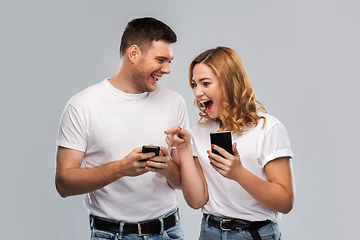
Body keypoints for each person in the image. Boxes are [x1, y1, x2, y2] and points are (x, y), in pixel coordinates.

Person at [55, 17, 189, 240]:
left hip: (169, 232)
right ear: (134, 53)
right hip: (110, 234)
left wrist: (167, 167)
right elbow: (63, 183)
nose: (166, 69)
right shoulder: (82, 106)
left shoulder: (175, 102)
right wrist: (121, 168)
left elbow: (185, 182)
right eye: (161, 60)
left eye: (169, 61)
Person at [165, 46, 294, 240]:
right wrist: (183, 149)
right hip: (209, 232)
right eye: (194, 84)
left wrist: (238, 173)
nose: (197, 92)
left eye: (205, 83)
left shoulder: (267, 128)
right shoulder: (199, 133)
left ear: (229, 83)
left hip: (255, 234)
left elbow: (285, 202)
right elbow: (196, 200)